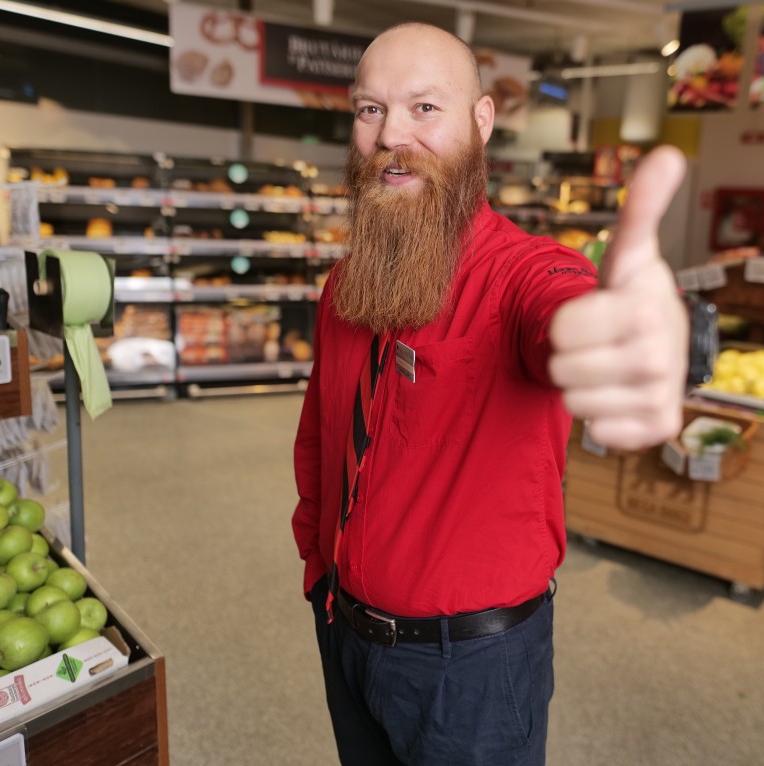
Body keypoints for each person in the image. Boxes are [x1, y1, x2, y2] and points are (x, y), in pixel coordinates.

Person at [292, 22, 688, 766]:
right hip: (345, 634)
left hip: (468, 673)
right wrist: (320, 576)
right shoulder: (344, 286)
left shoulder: (521, 276)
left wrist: (615, 334)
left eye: (424, 108)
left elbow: (561, 312)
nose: (389, 136)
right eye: (369, 109)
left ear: (481, 122)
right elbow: (318, 437)